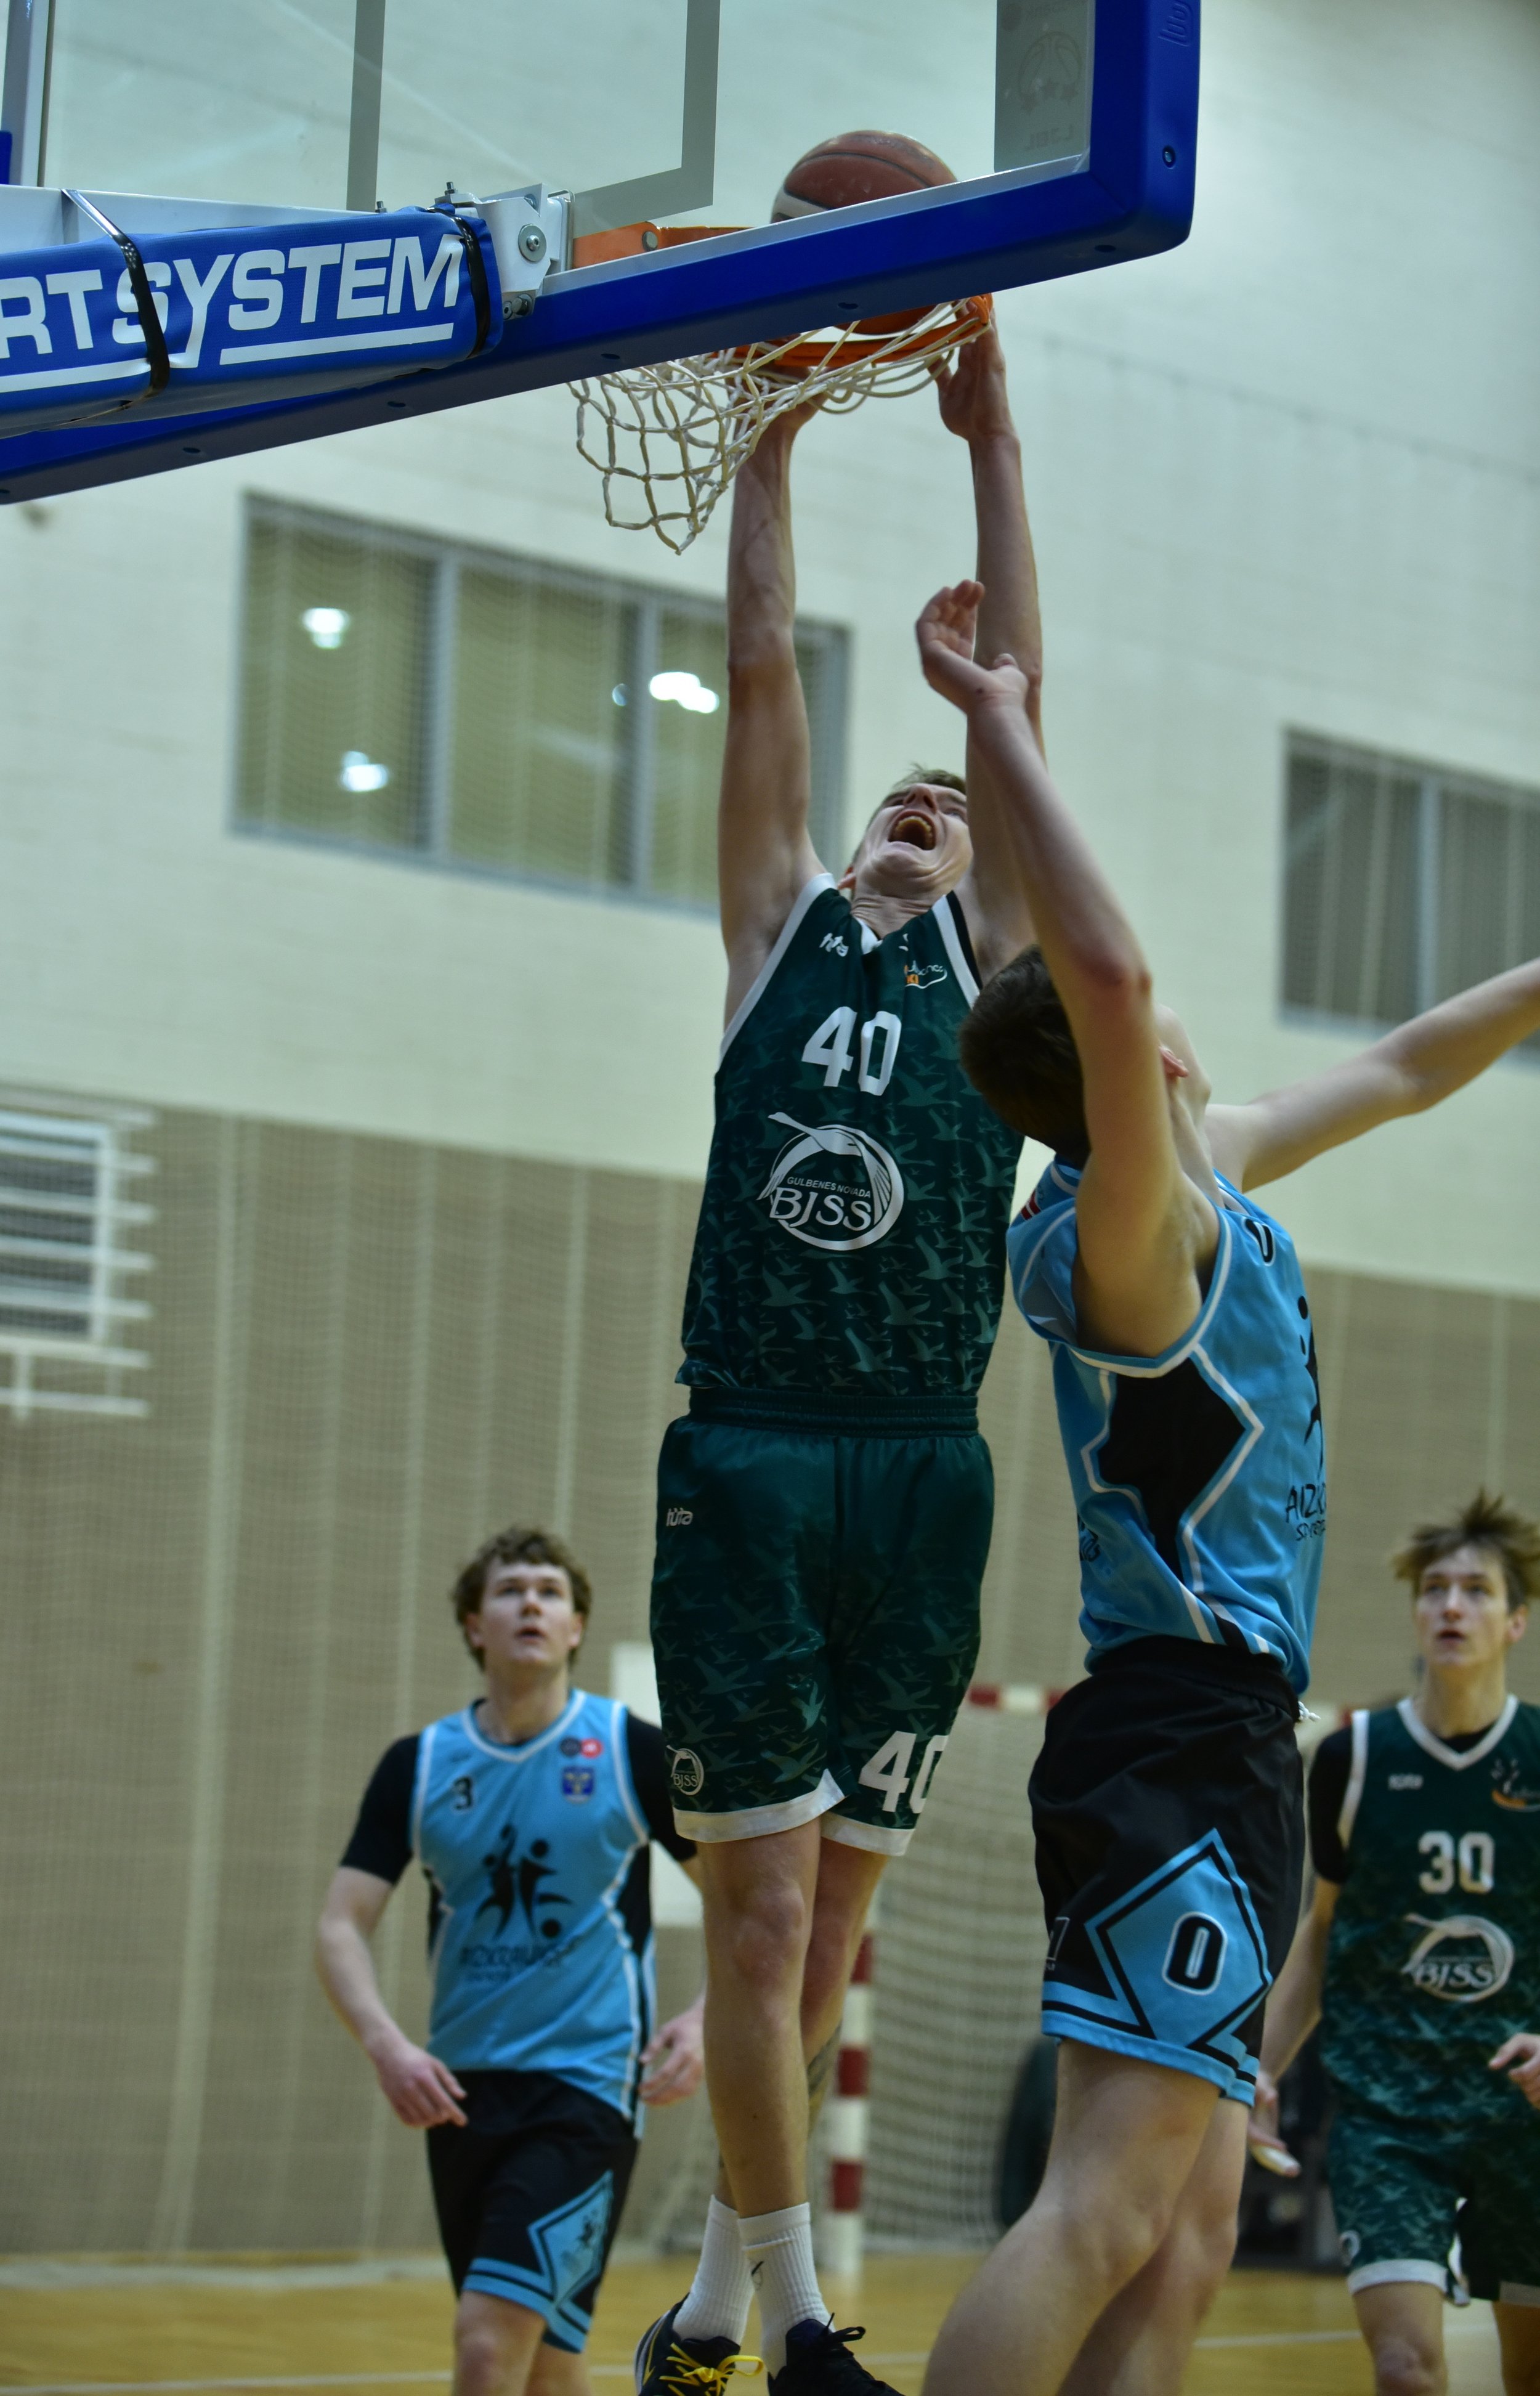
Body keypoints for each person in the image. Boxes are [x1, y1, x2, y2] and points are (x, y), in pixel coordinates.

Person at [902, 576, 1540, 2396]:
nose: (1154, 994)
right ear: (1135, 1060)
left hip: (1218, 1739)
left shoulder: (1214, 1167)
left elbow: (1405, 1066)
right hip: (1180, 1736)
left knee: (1182, 2232)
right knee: (1100, 2211)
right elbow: (1091, 973)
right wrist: (999, 719)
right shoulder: (1131, 1236)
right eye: (1137, 1007)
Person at [639, 327, 1043, 2396]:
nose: (923, 805)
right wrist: (770, 432)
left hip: (924, 1469)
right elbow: (762, 659)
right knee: (765, 1926)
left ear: (979, 865)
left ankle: (717, 2299)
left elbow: (1021, 701)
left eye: (952, 808)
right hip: (755, 1455)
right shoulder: (772, 931)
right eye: (905, 794)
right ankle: (800, 2322)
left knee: (836, 1938)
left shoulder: (993, 987)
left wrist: (996, 438)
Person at [316, 1525, 705, 2396]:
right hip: (461, 2093)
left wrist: (706, 2018)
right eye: (510, 1590)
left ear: (576, 1627)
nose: (532, 1603)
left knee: (488, 2344)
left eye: (550, 1592)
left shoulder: (631, 1751)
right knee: (546, 2368)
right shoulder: (419, 1765)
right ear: (473, 1624)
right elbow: (341, 1923)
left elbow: (747, 1905)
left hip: (585, 2090)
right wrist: (386, 2045)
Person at [1250, 1492, 1540, 2396]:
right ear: (1416, 1612)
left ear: (1516, 1620)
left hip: (1521, 2117)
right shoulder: (1353, 1759)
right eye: (1435, 1589)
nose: (1452, 1605)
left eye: (1477, 1590)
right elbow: (1322, 1932)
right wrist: (1258, 2070)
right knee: (1406, 2369)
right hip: (1387, 2115)